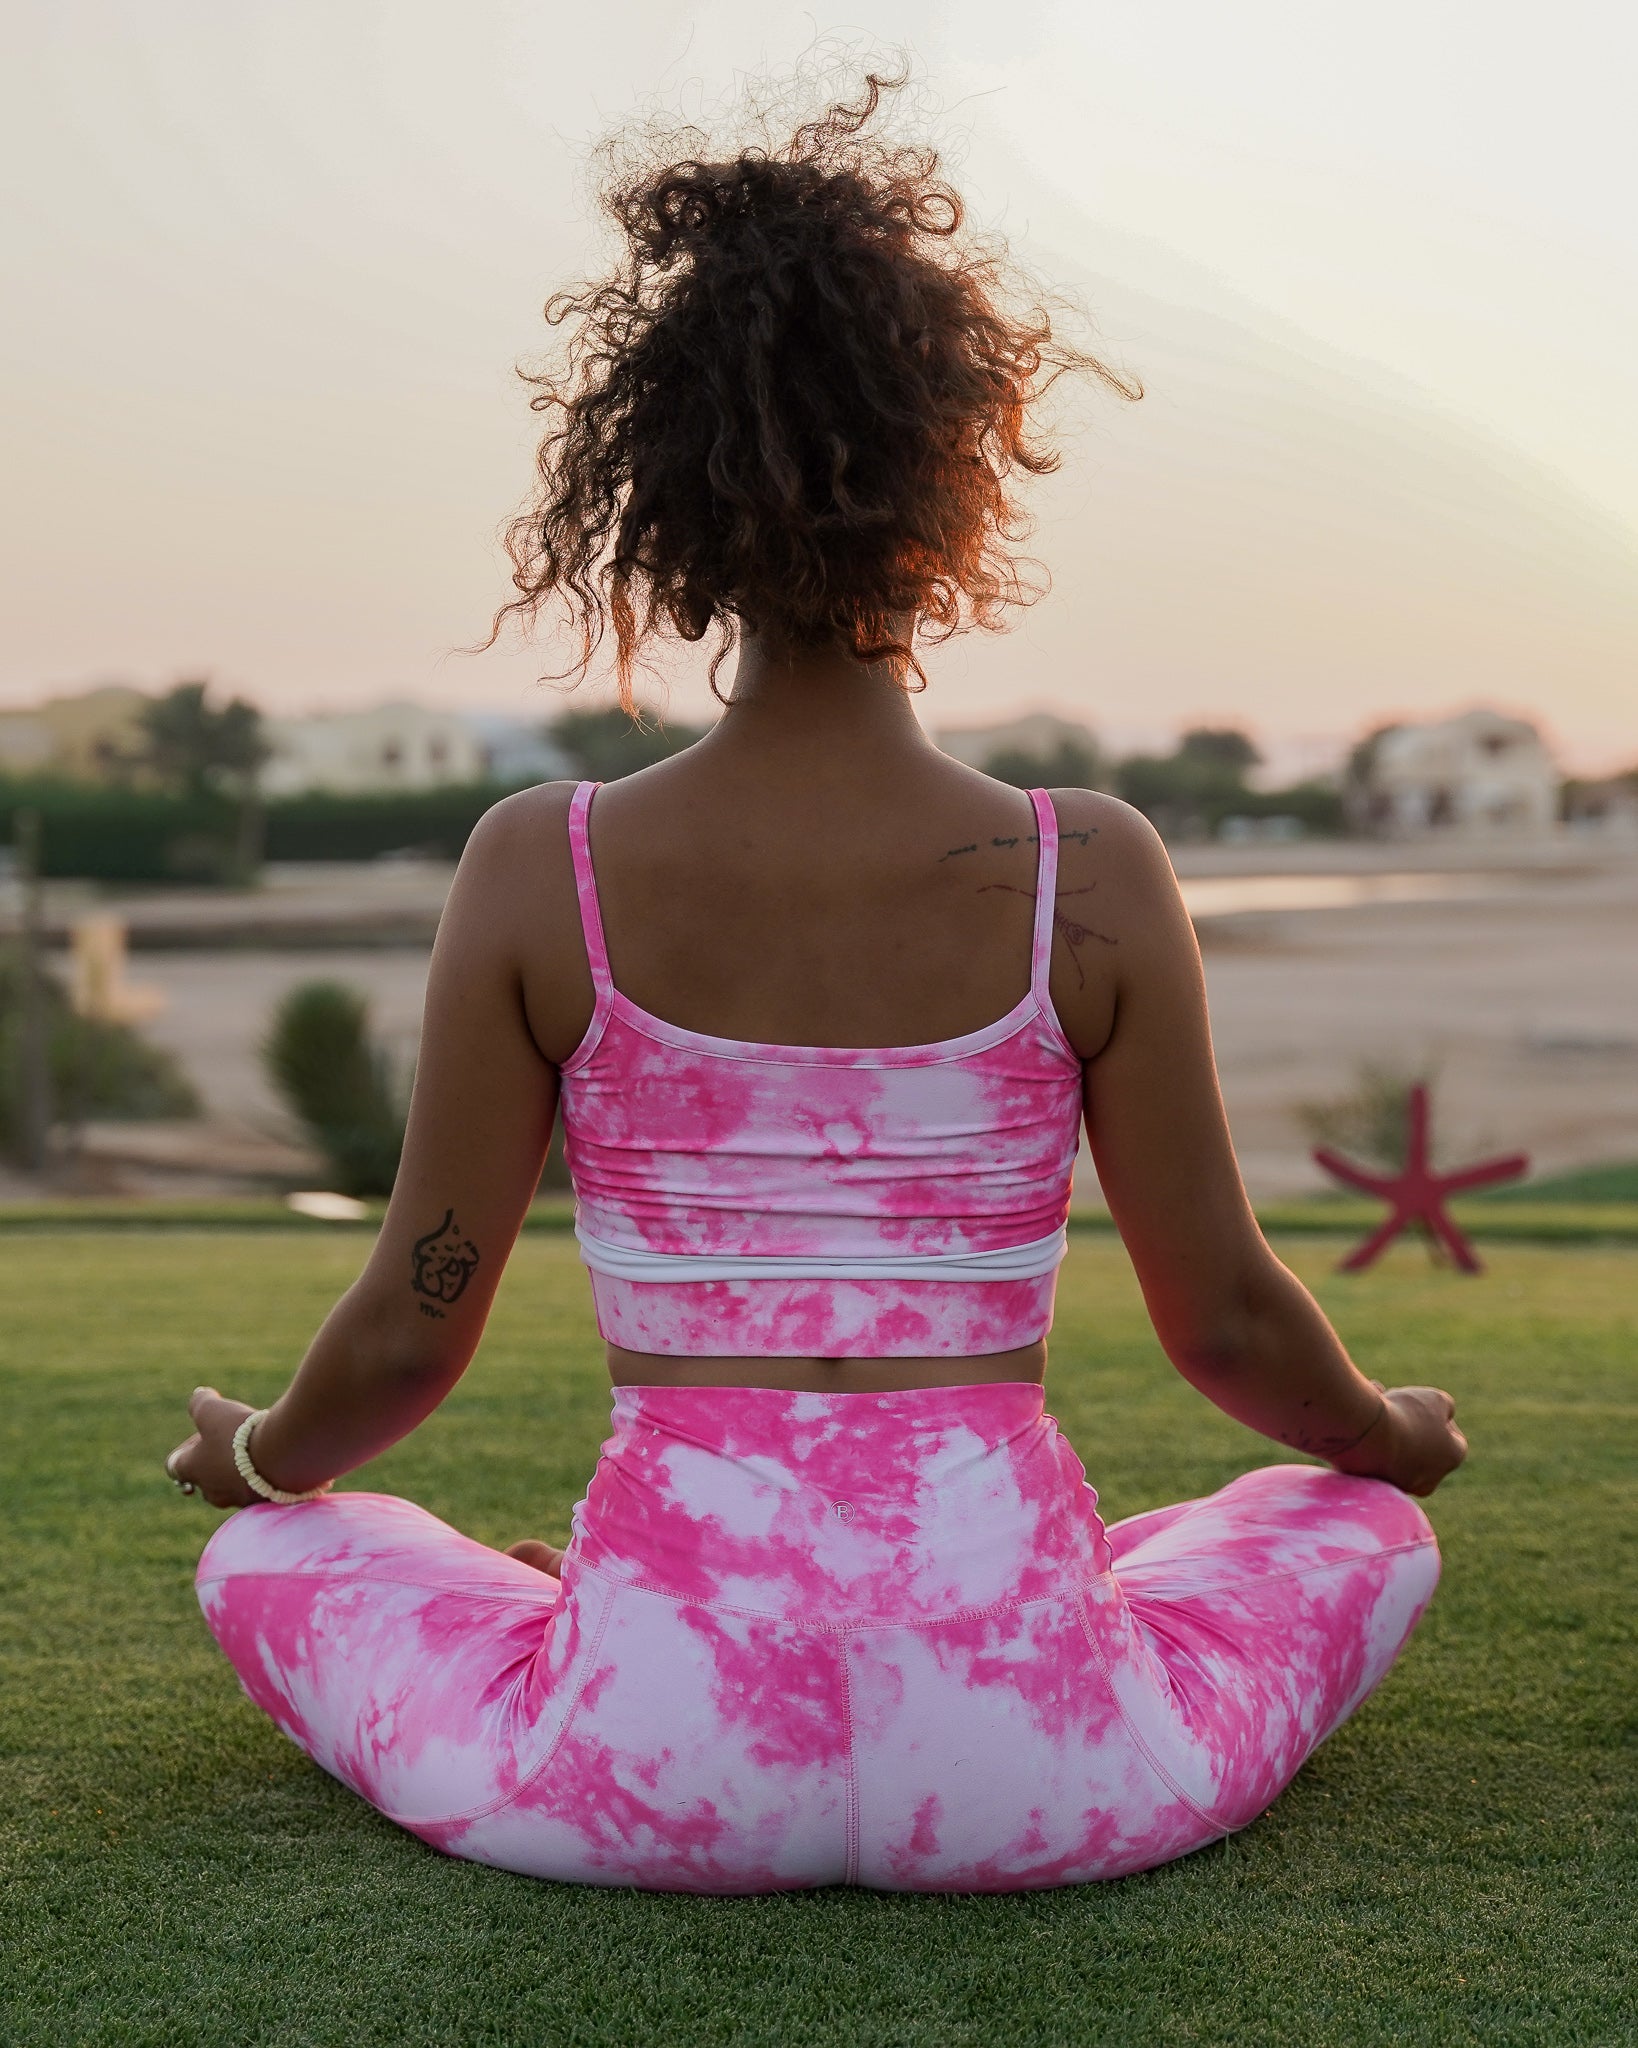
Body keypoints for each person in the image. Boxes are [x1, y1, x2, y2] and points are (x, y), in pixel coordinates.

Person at [167, 75, 1465, 1894]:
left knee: (282, 1549)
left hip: (640, 1780)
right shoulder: (1086, 867)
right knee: (1343, 1522)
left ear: (656, 502)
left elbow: (409, 1325)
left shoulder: (543, 864)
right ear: (953, 478)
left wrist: (252, 1461)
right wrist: (1390, 1438)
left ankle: (592, 1606)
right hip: (1042, 1780)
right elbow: (1231, 1325)